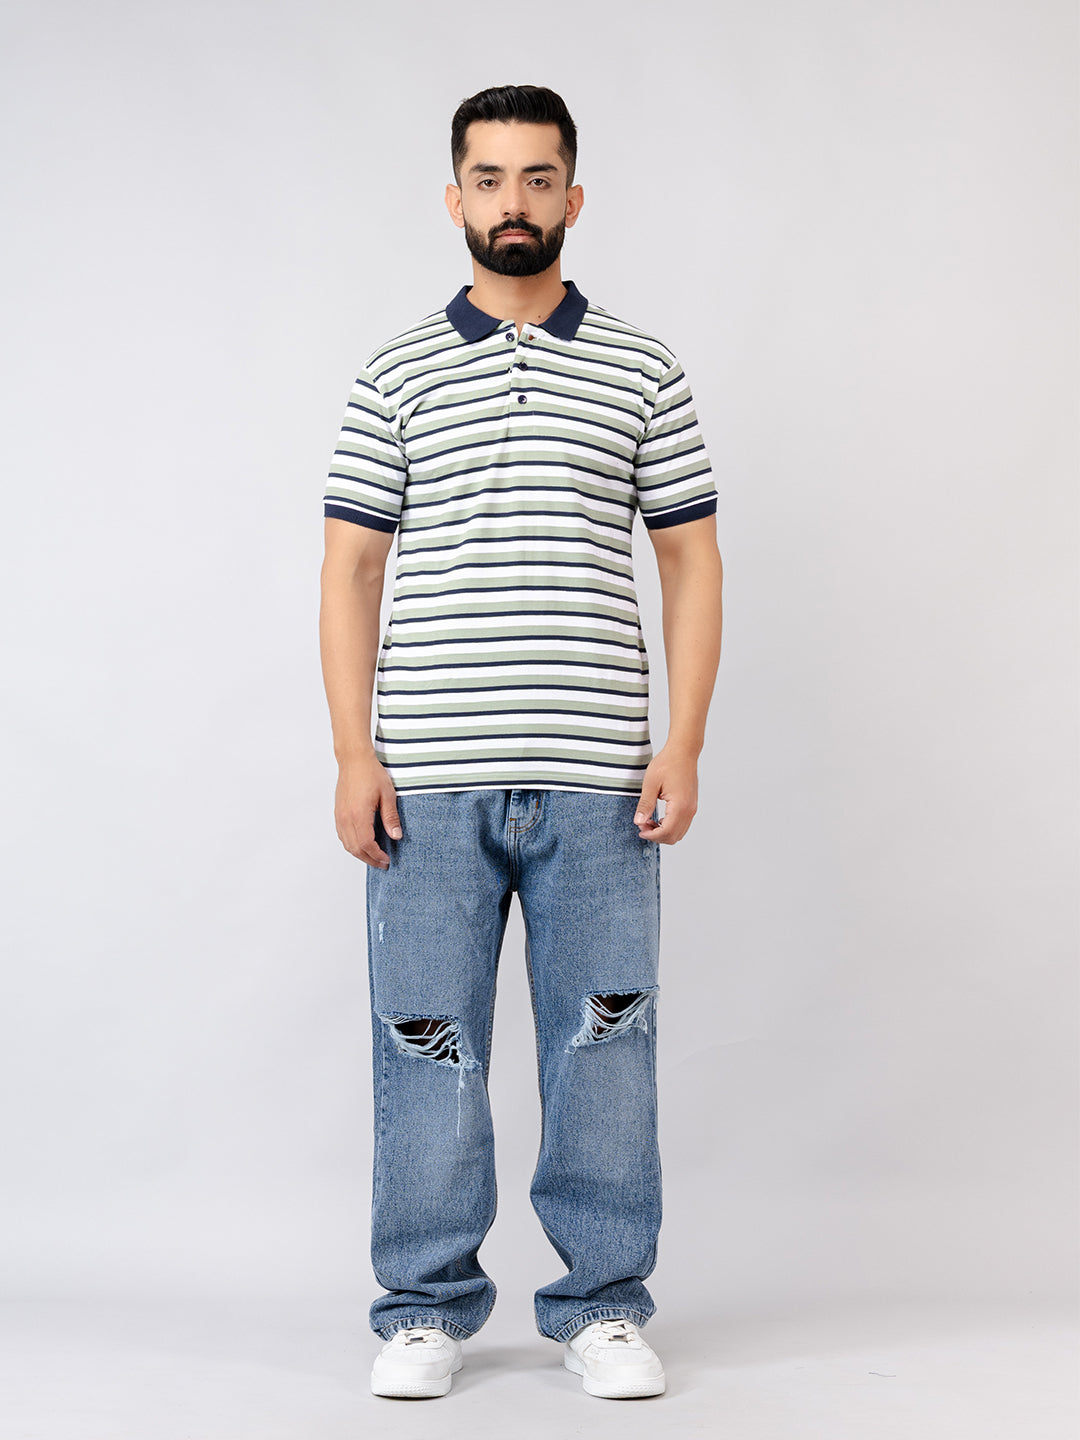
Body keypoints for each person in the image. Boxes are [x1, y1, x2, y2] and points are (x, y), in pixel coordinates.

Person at [319, 83, 724, 1401]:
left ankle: (602, 1304)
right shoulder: (394, 373)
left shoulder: (644, 369)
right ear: (455, 198)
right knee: (424, 1044)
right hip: (428, 782)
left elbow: (691, 560)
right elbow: (351, 571)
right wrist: (354, 752)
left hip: (600, 780)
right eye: (488, 178)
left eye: (538, 178)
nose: (513, 201)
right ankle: (423, 1309)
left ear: (574, 198)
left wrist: (683, 740)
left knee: (605, 1049)